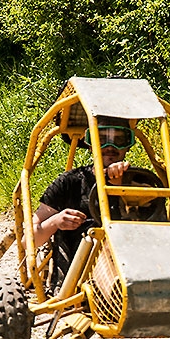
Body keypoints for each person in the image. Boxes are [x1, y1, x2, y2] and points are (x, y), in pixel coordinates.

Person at [32, 116, 135, 289]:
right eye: (101, 139)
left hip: (132, 262)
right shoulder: (70, 182)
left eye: (119, 139)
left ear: (127, 144)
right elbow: (29, 240)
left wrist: (123, 188)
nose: (110, 147)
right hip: (75, 279)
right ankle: (119, 292)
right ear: (89, 143)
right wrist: (56, 221)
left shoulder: (142, 181)